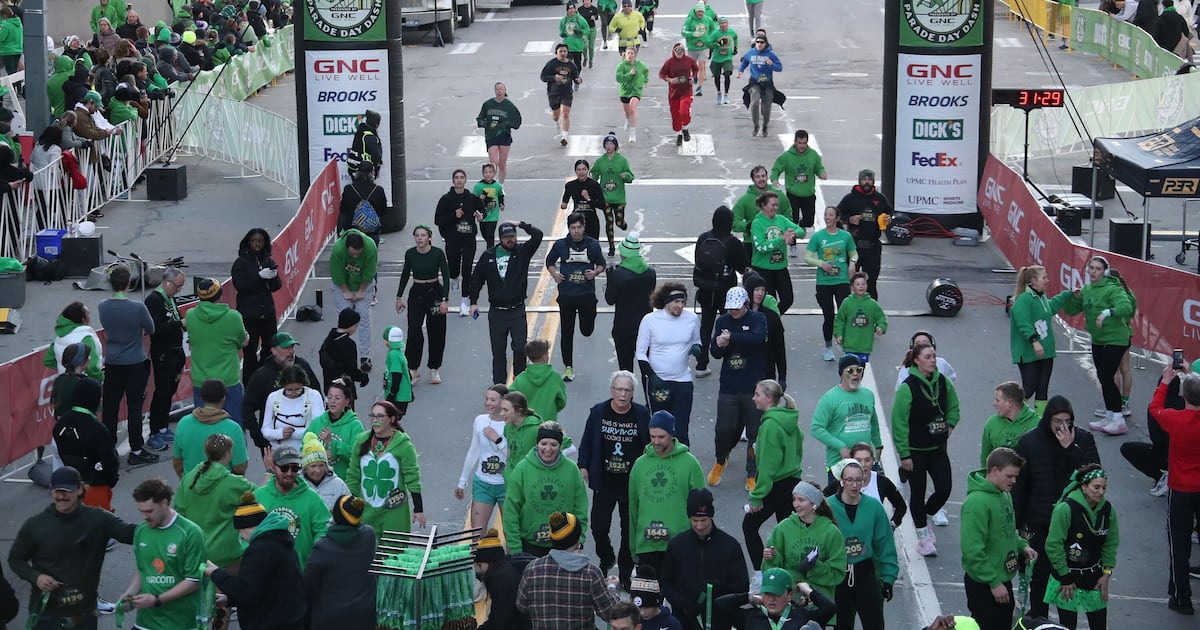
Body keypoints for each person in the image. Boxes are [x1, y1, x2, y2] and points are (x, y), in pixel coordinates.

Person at [8, 466, 136, 625]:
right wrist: (36, 577)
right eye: (57, 491)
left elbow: (132, 534)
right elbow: (15, 559)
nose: (61, 496)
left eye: (67, 491)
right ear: (50, 490)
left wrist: (164, 519)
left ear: (80, 489)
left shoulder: (99, 519)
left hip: (83, 613)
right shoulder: (35, 525)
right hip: (47, 614)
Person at [1012, 401, 1103, 620]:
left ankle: (1066, 622)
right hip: (1039, 521)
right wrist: (1018, 524)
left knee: (1070, 576)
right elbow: (1019, 487)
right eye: (1057, 421)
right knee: (1039, 575)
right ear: (1048, 420)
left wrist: (1070, 449)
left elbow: (1095, 476)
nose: (1062, 426)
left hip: (1074, 523)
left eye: (1067, 421)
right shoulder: (1029, 442)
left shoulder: (1082, 439)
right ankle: (1039, 620)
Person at [579, 371, 651, 588]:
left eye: (627, 390)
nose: (622, 394)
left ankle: (626, 573)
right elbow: (588, 440)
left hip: (632, 485)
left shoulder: (642, 414)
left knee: (629, 532)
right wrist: (583, 465)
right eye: (619, 389)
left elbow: (649, 445)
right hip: (605, 482)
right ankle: (606, 556)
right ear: (611, 391)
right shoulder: (599, 412)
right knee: (599, 527)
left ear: (632, 393)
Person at [892, 341, 961, 557]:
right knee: (918, 492)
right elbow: (899, 422)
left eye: (934, 356)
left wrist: (950, 424)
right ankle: (923, 537)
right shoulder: (908, 387)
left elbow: (954, 406)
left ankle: (926, 514)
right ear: (916, 360)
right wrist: (905, 454)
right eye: (928, 357)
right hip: (915, 450)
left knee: (944, 487)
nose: (933, 360)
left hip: (937, 447)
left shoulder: (943, 382)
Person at [961, 448, 1038, 630]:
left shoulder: (1004, 495)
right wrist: (993, 583)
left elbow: (1007, 532)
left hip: (1001, 579)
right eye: (1010, 476)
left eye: (1016, 476)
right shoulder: (977, 503)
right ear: (995, 471)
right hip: (985, 583)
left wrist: (1023, 546)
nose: (1014, 481)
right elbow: (972, 551)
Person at [206, 492, 307, 630]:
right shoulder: (279, 541)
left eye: (240, 531)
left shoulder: (261, 549)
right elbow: (260, 589)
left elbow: (246, 590)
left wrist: (215, 573)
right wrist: (228, 599)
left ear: (247, 526)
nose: (241, 536)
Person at [1147, 363, 1200, 615]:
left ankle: (1181, 597)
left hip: (1180, 489)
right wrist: (1190, 374)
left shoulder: (1175, 419)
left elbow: (1155, 408)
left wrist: (1166, 380)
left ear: (1184, 397)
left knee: (1178, 544)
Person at [120, 479, 207, 630]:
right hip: (146, 622)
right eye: (141, 512)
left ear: (164, 503)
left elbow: (194, 581)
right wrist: (129, 595)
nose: (145, 517)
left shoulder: (190, 533)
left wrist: (157, 600)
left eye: (149, 511)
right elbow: (143, 569)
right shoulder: (141, 530)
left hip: (181, 622)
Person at [1063, 255, 1134, 435]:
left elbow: (1127, 307)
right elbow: (1071, 310)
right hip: (1098, 339)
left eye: (1098, 269)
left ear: (1105, 272)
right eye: (1091, 268)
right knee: (1103, 377)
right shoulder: (1087, 289)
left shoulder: (1112, 289)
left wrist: (1108, 312)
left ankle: (1118, 418)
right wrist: (1073, 297)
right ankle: (1110, 415)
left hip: (1116, 338)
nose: (1093, 272)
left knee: (1107, 375)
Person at [629, 411, 706, 576]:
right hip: (647, 544)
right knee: (649, 601)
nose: (656, 441)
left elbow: (702, 506)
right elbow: (633, 508)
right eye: (652, 436)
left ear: (672, 434)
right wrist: (633, 546)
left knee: (681, 599)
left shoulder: (690, 463)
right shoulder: (639, 465)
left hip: (682, 545)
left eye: (661, 437)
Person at [1043, 464, 1118, 630]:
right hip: (1068, 579)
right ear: (1084, 487)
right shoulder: (1065, 509)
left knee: (1099, 625)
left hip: (1094, 576)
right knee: (1067, 625)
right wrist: (1065, 577)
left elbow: (1111, 543)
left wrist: (1106, 574)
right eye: (1096, 487)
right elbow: (1053, 545)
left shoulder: (1107, 510)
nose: (1101, 492)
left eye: (1104, 487)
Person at [660, 489, 748, 630]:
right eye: (695, 520)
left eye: (703, 520)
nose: (699, 526)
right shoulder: (677, 545)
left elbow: (742, 587)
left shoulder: (730, 546)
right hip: (684, 620)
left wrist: (719, 590)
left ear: (711, 517)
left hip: (719, 621)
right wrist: (684, 605)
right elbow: (665, 583)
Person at [470, 221, 545, 385]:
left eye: (512, 236)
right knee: (498, 352)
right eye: (506, 237)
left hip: (517, 310)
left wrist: (522, 224)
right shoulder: (488, 256)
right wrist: (473, 301)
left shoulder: (522, 252)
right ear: (500, 239)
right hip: (497, 312)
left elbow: (538, 235)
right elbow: (477, 279)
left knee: (519, 348)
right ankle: (499, 385)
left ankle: (519, 381)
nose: (510, 240)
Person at [708, 287, 768, 489]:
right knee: (723, 428)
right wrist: (719, 343)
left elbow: (757, 338)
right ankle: (720, 459)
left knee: (754, 432)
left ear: (746, 305)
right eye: (730, 308)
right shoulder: (722, 321)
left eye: (737, 308)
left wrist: (731, 337)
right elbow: (715, 352)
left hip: (753, 387)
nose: (733, 312)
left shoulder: (758, 319)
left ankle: (752, 472)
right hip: (729, 386)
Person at [826, 459, 897, 630]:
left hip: (865, 572)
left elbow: (885, 544)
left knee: (875, 625)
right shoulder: (827, 507)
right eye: (849, 480)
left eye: (859, 480)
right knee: (842, 626)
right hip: (838, 575)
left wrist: (888, 579)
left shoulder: (874, 507)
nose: (854, 485)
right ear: (841, 481)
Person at [516, 512, 621, 627]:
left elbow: (522, 605)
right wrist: (611, 588)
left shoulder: (532, 569)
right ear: (577, 537)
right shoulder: (591, 573)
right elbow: (610, 613)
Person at [97, 264, 157, 464]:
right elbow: (151, 328)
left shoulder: (102, 306)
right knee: (134, 407)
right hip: (135, 362)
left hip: (113, 361)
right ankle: (137, 450)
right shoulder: (138, 308)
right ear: (129, 283)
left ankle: (107, 448)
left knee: (111, 408)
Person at [742, 380, 803, 576]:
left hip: (776, 485)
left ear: (768, 398)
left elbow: (767, 465)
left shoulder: (769, 426)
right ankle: (790, 574)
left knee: (749, 525)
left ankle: (762, 574)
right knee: (786, 531)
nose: (754, 398)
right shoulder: (790, 421)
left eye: (757, 394)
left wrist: (756, 496)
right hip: (793, 482)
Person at [504, 422, 589, 557]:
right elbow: (511, 510)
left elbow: (580, 508)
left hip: (564, 545)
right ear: (537, 444)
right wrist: (515, 549)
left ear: (560, 446)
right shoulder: (522, 469)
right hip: (529, 545)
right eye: (543, 443)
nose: (548, 449)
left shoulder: (572, 470)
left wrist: (579, 541)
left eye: (553, 444)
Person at [175, 434, 257, 572]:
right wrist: (269, 472)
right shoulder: (234, 483)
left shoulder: (188, 479)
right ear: (229, 453)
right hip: (227, 554)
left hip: (196, 552)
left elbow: (179, 512)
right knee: (229, 591)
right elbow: (261, 497)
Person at [346, 400, 424, 542]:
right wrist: (349, 504)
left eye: (380, 416)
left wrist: (418, 509)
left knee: (393, 556)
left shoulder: (404, 445)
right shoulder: (361, 441)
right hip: (366, 511)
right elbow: (353, 474)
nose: (375, 420)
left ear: (392, 419)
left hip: (394, 512)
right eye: (373, 416)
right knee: (366, 556)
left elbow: (412, 477)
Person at [636, 283, 703, 445]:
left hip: (683, 380)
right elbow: (640, 353)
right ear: (666, 301)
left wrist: (697, 348)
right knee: (659, 427)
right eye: (676, 302)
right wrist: (652, 377)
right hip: (659, 382)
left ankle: (683, 464)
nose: (680, 306)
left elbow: (697, 341)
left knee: (680, 428)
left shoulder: (692, 319)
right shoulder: (650, 320)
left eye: (682, 302)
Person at [763, 481, 847, 604]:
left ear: (814, 504)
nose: (796, 504)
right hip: (789, 602)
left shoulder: (831, 532)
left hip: (819, 603)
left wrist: (814, 566)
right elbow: (771, 571)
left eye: (801, 500)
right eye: (794, 499)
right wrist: (771, 557)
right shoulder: (783, 528)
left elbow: (837, 573)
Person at [546, 212, 606, 380]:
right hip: (567, 294)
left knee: (587, 331)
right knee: (567, 332)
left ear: (584, 227)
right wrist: (554, 274)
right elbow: (549, 261)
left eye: (579, 227)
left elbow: (602, 263)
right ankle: (568, 367)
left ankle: (588, 322)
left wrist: (595, 272)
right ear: (569, 228)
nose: (576, 231)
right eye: (573, 228)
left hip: (587, 294)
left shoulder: (593, 245)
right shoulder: (561, 244)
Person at [303, 496, 377, 630]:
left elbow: (307, 586)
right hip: (364, 617)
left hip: (329, 618)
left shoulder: (323, 548)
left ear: (336, 516)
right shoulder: (369, 537)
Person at [693, 206, 751, 377]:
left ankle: (701, 364)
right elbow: (742, 267)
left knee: (706, 326)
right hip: (726, 290)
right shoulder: (733, 242)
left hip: (705, 289)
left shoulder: (703, 238)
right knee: (730, 325)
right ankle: (733, 361)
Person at [1010, 265, 1072, 416]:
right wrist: (1034, 341)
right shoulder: (1024, 299)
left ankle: (1039, 421)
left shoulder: (1041, 297)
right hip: (1029, 352)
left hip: (1046, 351)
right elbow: (1023, 323)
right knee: (1029, 388)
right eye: (1044, 278)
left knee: (1042, 388)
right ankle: (1011, 415)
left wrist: (1067, 294)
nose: (1047, 281)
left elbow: (1049, 308)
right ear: (1032, 281)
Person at [187, 278, 249, 427]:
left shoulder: (190, 315)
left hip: (201, 381)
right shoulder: (233, 317)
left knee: (203, 427)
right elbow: (243, 341)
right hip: (228, 381)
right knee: (234, 427)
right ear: (220, 295)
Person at [254, 445, 329, 567]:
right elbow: (245, 534)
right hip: (266, 575)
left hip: (303, 575)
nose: (289, 473)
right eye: (284, 468)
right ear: (273, 467)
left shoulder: (312, 498)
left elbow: (323, 530)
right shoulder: (258, 497)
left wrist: (317, 554)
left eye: (294, 468)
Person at [243, 332, 320, 450]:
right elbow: (246, 407)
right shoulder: (262, 375)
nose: (291, 351)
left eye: (292, 347)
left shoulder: (303, 366)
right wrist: (258, 436)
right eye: (286, 348)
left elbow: (317, 395)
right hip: (274, 446)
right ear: (273, 350)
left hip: (307, 446)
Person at [53, 378, 120, 512]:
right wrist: (109, 480)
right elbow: (110, 461)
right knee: (98, 528)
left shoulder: (61, 424)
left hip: (70, 487)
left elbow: (60, 454)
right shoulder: (97, 428)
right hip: (96, 488)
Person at [812, 355, 882, 483]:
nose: (855, 374)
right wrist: (840, 446)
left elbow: (874, 422)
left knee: (868, 500)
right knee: (840, 502)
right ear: (842, 374)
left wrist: (878, 446)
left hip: (866, 462)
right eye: (850, 371)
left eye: (859, 370)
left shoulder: (868, 395)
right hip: (839, 464)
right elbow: (816, 428)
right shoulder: (829, 398)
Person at [395, 224, 450, 383]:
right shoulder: (410, 254)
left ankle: (434, 368)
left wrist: (445, 299)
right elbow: (405, 274)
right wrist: (399, 297)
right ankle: (413, 368)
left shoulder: (438, 253)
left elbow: (446, 277)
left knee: (437, 331)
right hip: (417, 293)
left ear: (429, 237)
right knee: (413, 330)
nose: (420, 238)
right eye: (417, 235)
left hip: (435, 293)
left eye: (423, 235)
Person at [230, 227, 281, 386]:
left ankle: (267, 380)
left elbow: (276, 286)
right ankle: (251, 384)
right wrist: (259, 277)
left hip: (267, 314)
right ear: (248, 242)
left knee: (269, 349)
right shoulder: (241, 262)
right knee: (250, 351)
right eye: (253, 241)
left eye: (260, 241)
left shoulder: (268, 259)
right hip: (249, 315)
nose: (257, 244)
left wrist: (272, 276)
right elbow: (241, 286)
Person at [457, 385, 511, 532]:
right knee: (476, 535)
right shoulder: (480, 420)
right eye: (486, 399)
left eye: (493, 400)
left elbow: (515, 456)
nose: (488, 403)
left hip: (506, 485)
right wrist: (462, 481)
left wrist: (498, 440)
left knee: (510, 535)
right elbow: (473, 451)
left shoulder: (511, 424)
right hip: (483, 483)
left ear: (504, 402)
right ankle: (479, 556)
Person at [144, 267, 187, 451]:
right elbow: (156, 328)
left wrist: (181, 325)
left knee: (170, 390)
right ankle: (154, 432)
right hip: (163, 353)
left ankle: (163, 426)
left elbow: (174, 320)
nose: (179, 290)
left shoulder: (170, 298)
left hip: (176, 351)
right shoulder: (154, 300)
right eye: (178, 286)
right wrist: (180, 324)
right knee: (162, 391)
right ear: (167, 282)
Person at [806, 206, 857, 361]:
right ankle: (828, 347)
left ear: (837, 218)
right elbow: (807, 257)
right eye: (825, 215)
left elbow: (853, 252)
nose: (827, 217)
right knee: (829, 316)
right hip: (824, 282)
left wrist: (852, 262)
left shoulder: (846, 236)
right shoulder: (818, 237)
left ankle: (842, 342)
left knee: (844, 313)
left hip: (841, 280)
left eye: (830, 215)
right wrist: (821, 263)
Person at [173, 379, 249, 477]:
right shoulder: (233, 428)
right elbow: (240, 467)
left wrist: (186, 480)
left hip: (192, 486)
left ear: (201, 398)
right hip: (223, 487)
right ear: (223, 399)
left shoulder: (183, 423)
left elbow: (177, 462)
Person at [836, 170, 892, 300]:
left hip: (873, 246)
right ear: (859, 180)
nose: (867, 182)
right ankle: (847, 310)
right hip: (853, 246)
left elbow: (890, 212)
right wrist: (849, 219)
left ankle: (871, 313)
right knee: (847, 282)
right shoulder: (850, 198)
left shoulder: (880, 198)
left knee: (870, 283)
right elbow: (838, 214)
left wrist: (889, 218)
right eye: (864, 179)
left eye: (869, 179)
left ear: (873, 181)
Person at [715, 571, 837, 630]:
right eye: (767, 593)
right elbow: (720, 604)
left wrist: (807, 590)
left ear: (789, 595)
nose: (771, 599)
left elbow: (829, 608)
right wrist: (750, 597)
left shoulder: (801, 616)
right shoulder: (751, 617)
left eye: (777, 594)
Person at [436, 169, 485, 317]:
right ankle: (454, 276)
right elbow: (438, 220)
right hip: (452, 239)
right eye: (456, 178)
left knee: (467, 269)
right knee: (453, 266)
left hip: (469, 239)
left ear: (465, 180)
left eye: (462, 177)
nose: (459, 180)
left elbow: (482, 212)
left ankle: (464, 301)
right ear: (453, 181)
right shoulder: (446, 199)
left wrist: (481, 215)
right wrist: (453, 215)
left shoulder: (472, 198)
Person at [824, 443, 907, 529]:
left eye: (867, 460)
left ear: (873, 461)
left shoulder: (882, 482)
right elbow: (821, 503)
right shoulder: (841, 482)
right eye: (858, 460)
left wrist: (892, 526)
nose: (863, 465)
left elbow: (901, 506)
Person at [606, 232, 657, 371]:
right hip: (645, 327)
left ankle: (627, 393)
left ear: (623, 253)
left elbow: (610, 299)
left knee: (626, 370)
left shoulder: (618, 275)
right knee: (647, 368)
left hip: (623, 328)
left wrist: (609, 278)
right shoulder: (650, 273)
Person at [329, 230, 379, 372]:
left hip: (363, 284)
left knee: (363, 318)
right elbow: (336, 272)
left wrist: (361, 291)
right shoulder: (338, 249)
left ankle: (365, 356)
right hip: (342, 284)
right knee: (344, 319)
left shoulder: (370, 247)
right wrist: (346, 291)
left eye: (358, 253)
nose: (356, 256)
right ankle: (342, 353)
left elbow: (370, 271)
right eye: (352, 254)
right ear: (347, 248)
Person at [750, 192, 803, 313]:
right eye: (772, 205)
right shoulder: (757, 223)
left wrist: (792, 235)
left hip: (780, 267)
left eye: (776, 205)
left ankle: (773, 319)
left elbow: (800, 230)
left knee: (788, 299)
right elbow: (761, 247)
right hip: (763, 269)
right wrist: (782, 238)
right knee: (769, 301)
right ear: (763, 205)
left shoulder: (781, 219)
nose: (775, 208)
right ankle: (768, 324)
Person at [304, 379, 364, 480]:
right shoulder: (318, 422)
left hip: (345, 481)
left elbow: (358, 456)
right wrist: (319, 456)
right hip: (317, 481)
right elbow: (303, 447)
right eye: (330, 397)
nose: (332, 401)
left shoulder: (355, 426)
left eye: (337, 398)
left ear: (346, 402)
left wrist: (333, 443)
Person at [475, 528, 534, 630]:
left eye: (480, 566)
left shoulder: (502, 578)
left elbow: (500, 620)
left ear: (488, 562)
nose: (480, 572)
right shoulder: (510, 565)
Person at [772, 130, 827, 233]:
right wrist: (774, 179)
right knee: (792, 221)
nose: (802, 146)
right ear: (795, 142)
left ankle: (802, 225)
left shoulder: (813, 155)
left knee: (809, 221)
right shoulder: (787, 156)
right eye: (799, 143)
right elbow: (776, 168)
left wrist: (822, 173)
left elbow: (819, 167)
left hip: (808, 194)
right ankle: (792, 242)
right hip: (793, 195)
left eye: (804, 143)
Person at [261, 365, 325, 453]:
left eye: (297, 389)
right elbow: (265, 430)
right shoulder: (273, 397)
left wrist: (292, 434)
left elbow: (318, 428)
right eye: (289, 390)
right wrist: (279, 433)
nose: (293, 393)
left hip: (307, 452)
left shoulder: (314, 395)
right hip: (280, 453)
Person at [979, 382, 1041, 468]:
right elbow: (985, 458)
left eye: (997, 400)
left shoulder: (1037, 425)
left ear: (1009, 402)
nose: (994, 403)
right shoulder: (991, 423)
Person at [593, 134, 635, 256]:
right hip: (605, 197)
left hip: (619, 198)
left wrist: (625, 176)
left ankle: (622, 223)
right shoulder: (600, 161)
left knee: (618, 221)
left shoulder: (622, 160)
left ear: (615, 146)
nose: (609, 146)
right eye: (606, 144)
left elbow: (630, 177)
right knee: (609, 222)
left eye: (611, 144)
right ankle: (611, 246)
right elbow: (594, 174)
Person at [732, 166, 792, 248]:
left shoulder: (779, 195)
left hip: (775, 241)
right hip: (752, 243)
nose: (761, 179)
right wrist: (748, 226)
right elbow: (733, 221)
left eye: (763, 176)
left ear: (767, 177)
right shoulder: (744, 200)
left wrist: (781, 227)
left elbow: (788, 214)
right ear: (753, 179)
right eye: (757, 177)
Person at [833, 272, 887, 363]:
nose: (861, 286)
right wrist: (838, 334)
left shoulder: (872, 304)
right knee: (850, 368)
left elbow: (881, 318)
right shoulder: (847, 303)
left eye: (863, 284)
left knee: (860, 369)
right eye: (857, 284)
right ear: (852, 287)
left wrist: (881, 327)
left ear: (866, 286)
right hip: (849, 344)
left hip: (865, 346)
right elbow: (840, 320)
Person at [742, 273, 786, 386]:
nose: (760, 293)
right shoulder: (739, 315)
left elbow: (779, 348)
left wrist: (782, 376)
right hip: (743, 371)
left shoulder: (772, 316)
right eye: (756, 289)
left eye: (763, 290)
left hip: (766, 371)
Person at [737, 34, 782, 137]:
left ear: (765, 44)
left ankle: (765, 125)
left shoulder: (771, 54)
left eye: (762, 42)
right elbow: (744, 62)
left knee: (766, 108)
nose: (759, 44)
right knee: (755, 102)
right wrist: (740, 71)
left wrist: (771, 64)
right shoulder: (750, 53)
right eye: (757, 42)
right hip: (755, 82)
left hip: (767, 83)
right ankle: (756, 125)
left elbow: (779, 68)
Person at [44, 302, 103, 381]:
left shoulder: (59, 337)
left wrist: (62, 369)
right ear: (82, 319)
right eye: (88, 314)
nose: (90, 316)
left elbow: (48, 360)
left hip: (65, 381)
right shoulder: (86, 337)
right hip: (85, 383)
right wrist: (100, 378)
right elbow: (91, 366)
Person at [510, 340, 567, 420]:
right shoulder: (555, 377)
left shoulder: (520, 379)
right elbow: (562, 401)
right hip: (548, 422)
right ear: (544, 357)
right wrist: (551, 410)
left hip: (526, 423)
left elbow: (511, 400)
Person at [476, 83, 521, 183]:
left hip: (504, 135)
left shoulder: (509, 106)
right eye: (497, 89)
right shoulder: (488, 104)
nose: (499, 91)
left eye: (501, 89)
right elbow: (479, 118)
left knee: (502, 164)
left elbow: (517, 121)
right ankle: (492, 184)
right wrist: (485, 123)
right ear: (494, 91)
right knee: (494, 163)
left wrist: (506, 124)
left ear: (505, 91)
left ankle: (500, 185)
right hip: (491, 135)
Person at [319, 308, 370, 394]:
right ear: (350, 325)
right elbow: (351, 370)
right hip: (344, 389)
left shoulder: (329, 339)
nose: (355, 329)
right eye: (356, 326)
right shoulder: (349, 344)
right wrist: (362, 377)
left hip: (329, 386)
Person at [541, 43, 582, 146]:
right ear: (556, 53)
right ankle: (556, 122)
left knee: (565, 113)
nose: (563, 53)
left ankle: (564, 136)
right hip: (553, 92)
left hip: (566, 92)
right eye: (561, 51)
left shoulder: (571, 65)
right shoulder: (551, 64)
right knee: (556, 115)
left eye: (565, 51)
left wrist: (578, 80)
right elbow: (543, 77)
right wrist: (554, 78)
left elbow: (576, 77)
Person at [660, 42, 699, 147]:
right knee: (675, 115)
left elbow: (696, 69)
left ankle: (685, 127)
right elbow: (662, 74)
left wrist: (693, 78)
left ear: (683, 51)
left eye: (681, 50)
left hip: (686, 90)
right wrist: (670, 80)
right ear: (674, 51)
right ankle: (678, 134)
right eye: (677, 50)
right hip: (674, 92)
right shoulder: (669, 62)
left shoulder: (688, 60)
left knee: (683, 111)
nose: (679, 52)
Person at [560, 159, 608, 242]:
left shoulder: (594, 185)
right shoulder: (570, 185)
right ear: (575, 171)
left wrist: (588, 198)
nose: (581, 172)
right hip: (576, 220)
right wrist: (564, 204)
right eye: (578, 170)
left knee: (592, 246)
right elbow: (565, 198)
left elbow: (602, 205)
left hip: (591, 220)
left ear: (588, 170)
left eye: (584, 169)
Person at [339, 162, 387, 243]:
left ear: (357, 172)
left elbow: (344, 211)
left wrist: (340, 229)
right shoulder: (378, 190)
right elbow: (383, 211)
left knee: (354, 254)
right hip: (372, 232)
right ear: (372, 173)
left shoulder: (349, 189)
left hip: (352, 231)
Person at [301, 433, 351, 510]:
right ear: (305, 467)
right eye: (313, 466)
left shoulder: (338, 484)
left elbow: (349, 511)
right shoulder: (297, 485)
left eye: (321, 465)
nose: (318, 470)